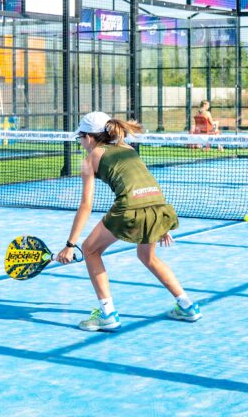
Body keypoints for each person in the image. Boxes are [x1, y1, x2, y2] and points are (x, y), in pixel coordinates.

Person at [56, 112, 201, 332]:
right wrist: (161, 223)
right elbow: (146, 181)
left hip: (129, 209)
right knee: (148, 257)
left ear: (89, 137)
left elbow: (86, 205)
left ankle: (107, 314)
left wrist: (69, 245)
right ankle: (187, 306)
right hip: (158, 206)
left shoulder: (90, 159)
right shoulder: (128, 148)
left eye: (80, 138)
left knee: (90, 250)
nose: (81, 142)